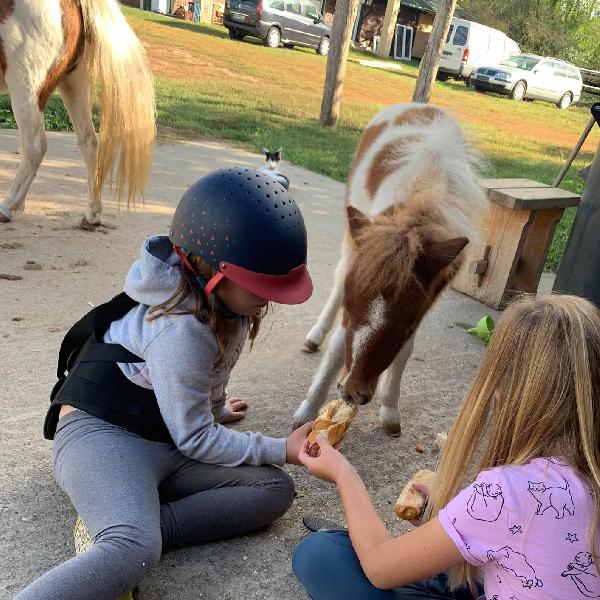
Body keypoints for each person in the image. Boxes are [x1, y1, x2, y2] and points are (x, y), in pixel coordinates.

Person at [17, 168, 314, 599]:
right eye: (259, 285)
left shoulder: (228, 304)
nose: (267, 298)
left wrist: (213, 410)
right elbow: (195, 438)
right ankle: (123, 533)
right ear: (215, 270)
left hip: (165, 437)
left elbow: (212, 378)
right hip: (103, 435)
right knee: (132, 549)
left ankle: (134, 519)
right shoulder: (181, 329)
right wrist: (281, 448)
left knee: (273, 489)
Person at [293, 294, 600, 600]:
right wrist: (457, 516)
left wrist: (343, 473)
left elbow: (379, 568)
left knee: (319, 554)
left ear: (503, 392)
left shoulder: (509, 492)